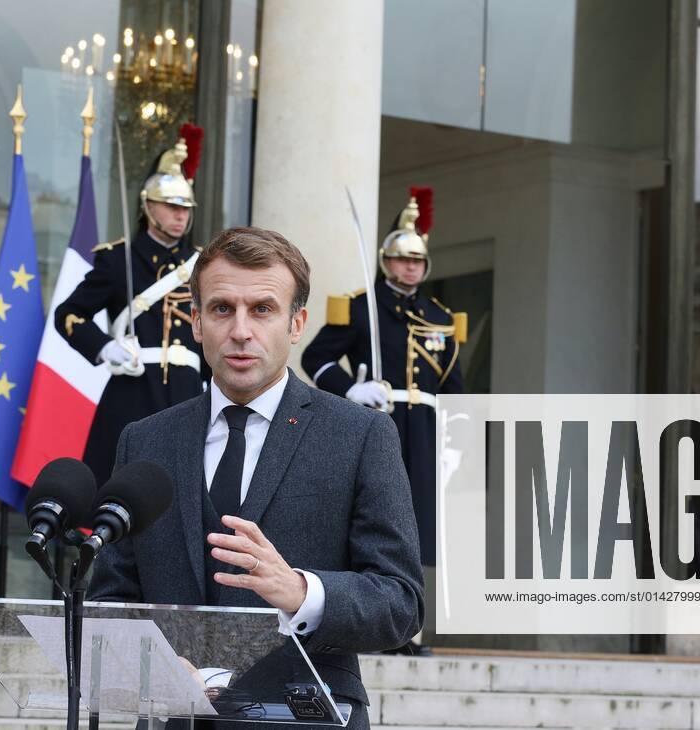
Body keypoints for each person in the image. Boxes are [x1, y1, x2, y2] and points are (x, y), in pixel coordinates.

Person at [88, 227, 424, 729]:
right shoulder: (144, 440)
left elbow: (400, 603)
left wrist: (302, 591)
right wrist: (149, 664)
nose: (241, 330)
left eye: (262, 309)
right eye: (222, 309)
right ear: (196, 322)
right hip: (172, 719)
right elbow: (111, 599)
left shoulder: (362, 435)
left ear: (297, 323)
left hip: (307, 718)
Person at [301, 187, 465, 655]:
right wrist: (350, 389)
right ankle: (372, 627)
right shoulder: (360, 307)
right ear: (387, 261)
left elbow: (455, 389)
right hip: (380, 430)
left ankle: (409, 630)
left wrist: (455, 446)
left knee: (415, 534)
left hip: (426, 437)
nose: (409, 267)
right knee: (378, 526)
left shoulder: (440, 318)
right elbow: (317, 357)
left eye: (417, 260)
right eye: (401, 259)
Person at [55, 124, 209, 482]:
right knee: (120, 484)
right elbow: (69, 315)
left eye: (186, 207)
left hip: (189, 392)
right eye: (171, 206)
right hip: (134, 389)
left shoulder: (204, 265)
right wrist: (105, 347)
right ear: (148, 206)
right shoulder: (118, 259)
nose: (180, 215)